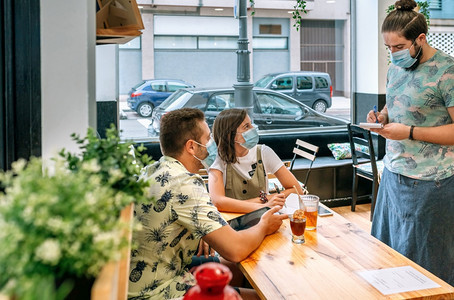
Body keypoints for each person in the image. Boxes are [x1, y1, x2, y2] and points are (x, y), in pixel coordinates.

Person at [128, 108, 287, 299]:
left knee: (231, 268)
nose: (212, 145)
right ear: (191, 147)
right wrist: (263, 226)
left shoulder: (152, 170)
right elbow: (235, 250)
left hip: (142, 279)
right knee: (261, 296)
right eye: (208, 138)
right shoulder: (184, 184)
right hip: (158, 291)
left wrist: (199, 232)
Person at [366, 0, 454, 285]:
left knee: (428, 267)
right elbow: (395, 107)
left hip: (432, 183)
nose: (393, 54)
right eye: (388, 48)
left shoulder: (447, 72)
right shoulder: (395, 69)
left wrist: (410, 132)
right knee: (388, 258)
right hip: (393, 175)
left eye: (399, 47)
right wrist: (380, 117)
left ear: (420, 38)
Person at [209, 108, 304, 213]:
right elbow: (217, 202)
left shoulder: (264, 152)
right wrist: (264, 202)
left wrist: (265, 202)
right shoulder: (218, 159)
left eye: (251, 124)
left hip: (264, 218)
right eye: (246, 127)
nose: (253, 129)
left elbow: (297, 190)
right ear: (231, 136)